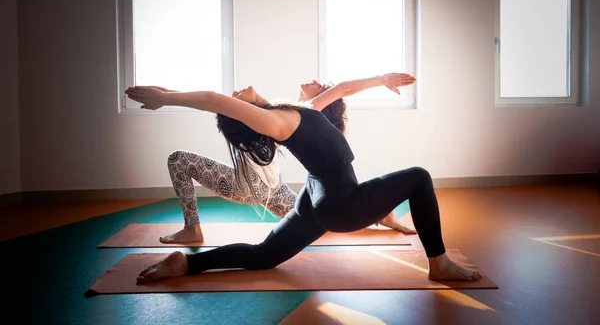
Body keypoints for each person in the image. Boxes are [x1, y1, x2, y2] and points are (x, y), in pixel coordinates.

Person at [126, 74, 481, 283]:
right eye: (235, 103)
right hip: (338, 203)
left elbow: (341, 89)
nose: (236, 94)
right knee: (419, 177)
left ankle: (188, 263)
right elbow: (212, 98)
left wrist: (382, 80)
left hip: (315, 198)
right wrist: (165, 97)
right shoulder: (277, 122)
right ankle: (439, 263)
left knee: (265, 255)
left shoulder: (296, 110)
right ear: (250, 119)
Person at [159, 75, 416, 244]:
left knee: (177, 159)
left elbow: (341, 89)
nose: (315, 80)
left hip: (255, 187)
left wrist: (164, 97)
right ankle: (380, 216)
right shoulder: (281, 113)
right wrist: (167, 93)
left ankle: (192, 228)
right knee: (319, 220)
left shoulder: (302, 113)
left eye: (320, 85)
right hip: (273, 188)